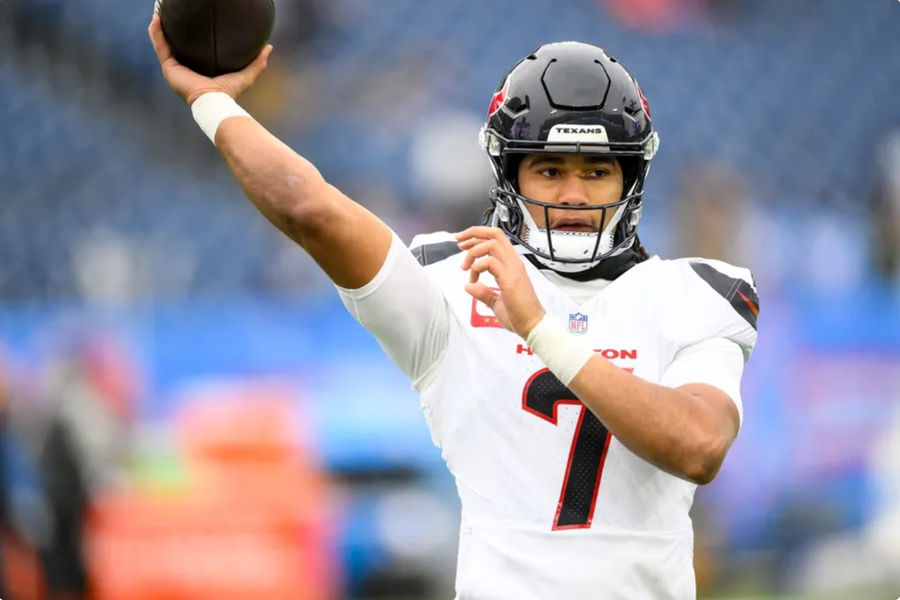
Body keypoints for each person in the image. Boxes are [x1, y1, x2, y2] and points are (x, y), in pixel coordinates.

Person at [149, 17, 759, 599]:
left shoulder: (695, 294)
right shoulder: (452, 283)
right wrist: (213, 103)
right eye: (549, 169)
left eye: (597, 171)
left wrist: (540, 331)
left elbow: (697, 446)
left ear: (629, 180)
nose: (574, 193)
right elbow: (313, 210)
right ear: (508, 176)